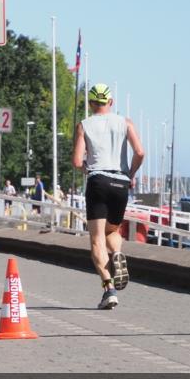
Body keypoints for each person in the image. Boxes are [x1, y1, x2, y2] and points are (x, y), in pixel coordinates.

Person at [72, 83, 145, 310]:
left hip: (98, 181)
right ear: (111, 102)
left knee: (96, 239)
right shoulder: (126, 123)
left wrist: (87, 168)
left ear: (91, 103)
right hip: (120, 183)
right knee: (112, 230)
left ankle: (109, 289)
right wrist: (130, 174)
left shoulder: (84, 125)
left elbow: (77, 161)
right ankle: (118, 253)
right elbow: (140, 152)